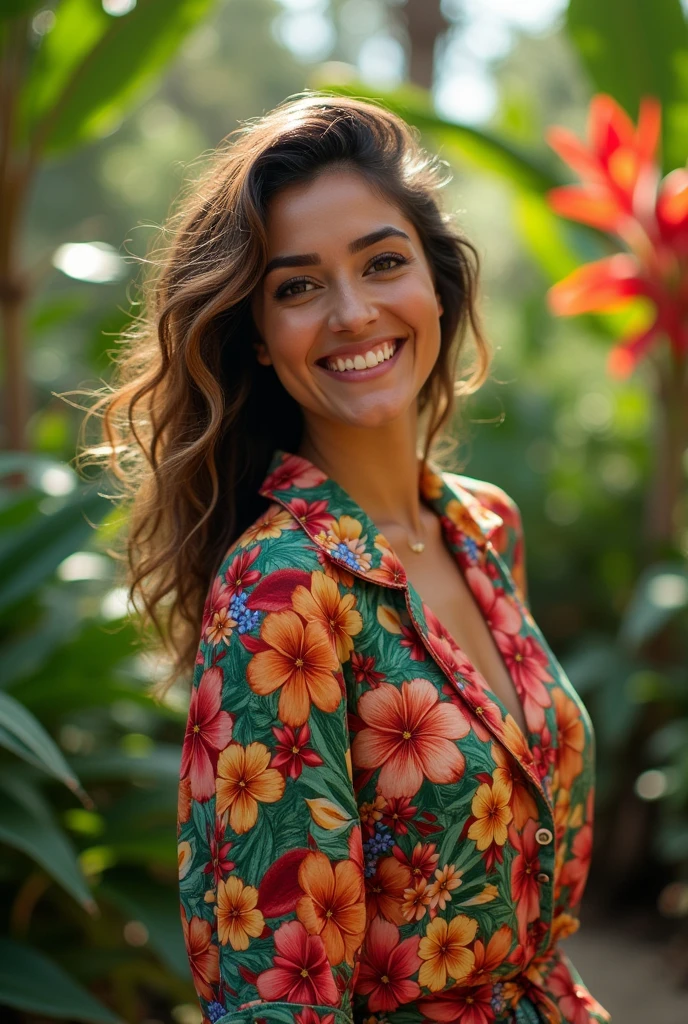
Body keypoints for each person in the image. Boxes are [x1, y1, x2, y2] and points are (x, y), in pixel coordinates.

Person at [88, 93, 611, 1024]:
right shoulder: (283, 592)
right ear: (259, 334)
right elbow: (276, 995)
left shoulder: (487, 527)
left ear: (436, 283)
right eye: (298, 286)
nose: (354, 311)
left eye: (383, 263)